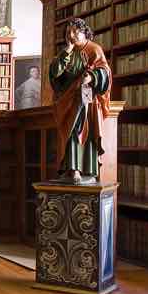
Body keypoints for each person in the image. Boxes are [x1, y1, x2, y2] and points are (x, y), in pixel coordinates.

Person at [48, 18, 111, 183]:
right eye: (68, 32)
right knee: (69, 135)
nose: (71, 34)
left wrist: (92, 76)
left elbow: (105, 72)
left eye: (75, 31)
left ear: (84, 32)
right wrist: (66, 52)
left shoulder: (93, 49)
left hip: (86, 101)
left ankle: (82, 170)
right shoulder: (67, 52)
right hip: (68, 101)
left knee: (81, 132)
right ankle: (70, 168)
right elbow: (55, 74)